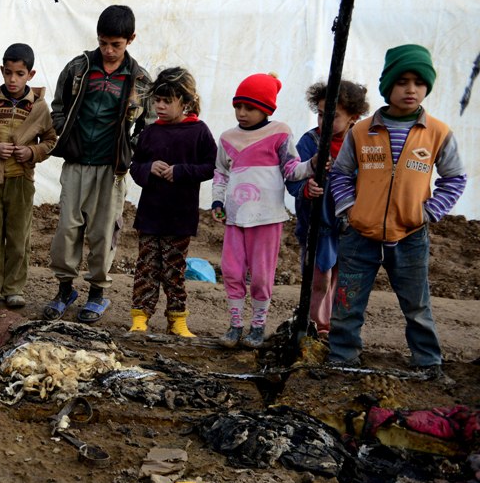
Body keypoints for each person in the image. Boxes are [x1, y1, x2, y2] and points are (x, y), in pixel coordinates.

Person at [328, 45, 467, 379]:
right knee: (347, 301)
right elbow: (341, 173)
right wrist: (349, 208)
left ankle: (427, 361)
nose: (411, 89)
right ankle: (342, 357)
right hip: (360, 234)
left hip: (410, 234)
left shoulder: (437, 133)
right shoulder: (362, 132)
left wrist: (429, 212)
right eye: (402, 81)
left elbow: (455, 177)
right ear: (388, 85)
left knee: (417, 304)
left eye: (419, 82)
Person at [45, 5, 153, 322]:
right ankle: (65, 289)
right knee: (67, 228)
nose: (107, 50)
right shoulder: (79, 68)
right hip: (77, 161)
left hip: (112, 168)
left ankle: (97, 294)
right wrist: (65, 135)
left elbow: (148, 125)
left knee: (104, 231)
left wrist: (127, 151)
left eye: (115, 45)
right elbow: (59, 105)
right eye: (103, 42)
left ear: (130, 40)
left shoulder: (140, 79)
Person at [211, 73, 314, 348]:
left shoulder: (279, 133)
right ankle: (235, 325)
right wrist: (217, 201)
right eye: (238, 106)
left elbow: (292, 170)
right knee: (231, 271)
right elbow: (220, 172)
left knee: (261, 275)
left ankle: (257, 327)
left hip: (267, 218)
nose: (242, 113)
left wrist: (314, 164)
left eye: (250, 108)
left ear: (266, 109)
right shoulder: (227, 138)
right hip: (235, 218)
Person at [0, 43, 58, 308]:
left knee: (19, 237)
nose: (13, 79)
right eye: (8, 73)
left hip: (21, 181)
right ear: (2, 71)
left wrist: (32, 152)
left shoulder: (39, 107)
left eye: (19, 73)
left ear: (31, 74)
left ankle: (14, 288)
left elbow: (51, 140)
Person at [128, 67, 216, 336]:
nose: (160, 106)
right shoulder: (151, 132)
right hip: (151, 215)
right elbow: (135, 166)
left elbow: (210, 167)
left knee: (174, 271)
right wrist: (148, 167)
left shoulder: (199, 132)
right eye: (157, 100)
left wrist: (180, 171)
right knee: (146, 268)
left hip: (180, 217)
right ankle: (140, 317)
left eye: (167, 101)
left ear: (185, 102)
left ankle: (177, 319)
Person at [285, 80, 369, 339]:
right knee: (318, 277)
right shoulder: (310, 142)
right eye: (321, 114)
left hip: (350, 225)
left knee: (344, 279)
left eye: (333, 115)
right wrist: (306, 188)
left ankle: (335, 327)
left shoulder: (360, 144)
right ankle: (314, 325)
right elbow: (292, 176)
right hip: (316, 225)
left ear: (353, 117)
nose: (324, 120)